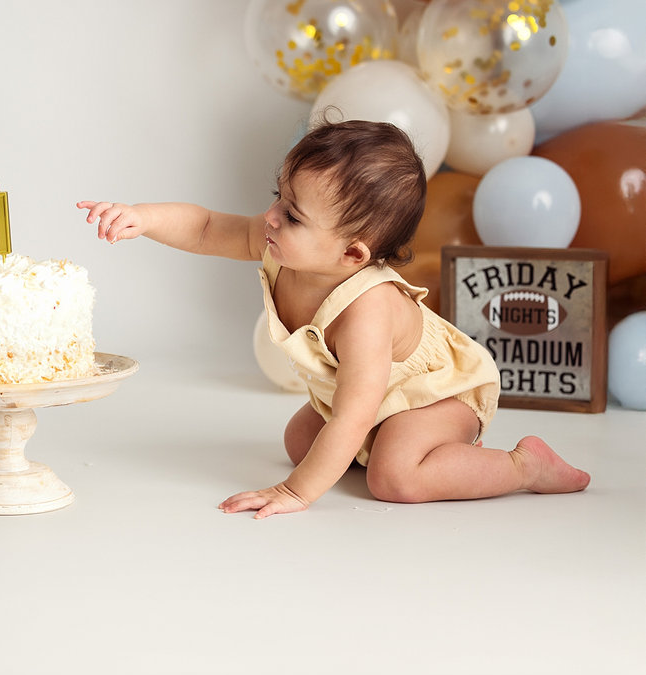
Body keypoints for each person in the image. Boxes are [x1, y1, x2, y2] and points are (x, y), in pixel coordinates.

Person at [78, 117, 590, 519]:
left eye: (294, 214)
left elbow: (352, 415)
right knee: (299, 441)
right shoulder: (282, 244)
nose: (272, 215)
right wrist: (142, 217)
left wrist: (295, 491)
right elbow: (210, 227)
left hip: (433, 395)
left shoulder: (366, 312)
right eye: (279, 194)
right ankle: (374, 450)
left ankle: (524, 467)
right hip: (369, 398)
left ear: (353, 255)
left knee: (394, 479)